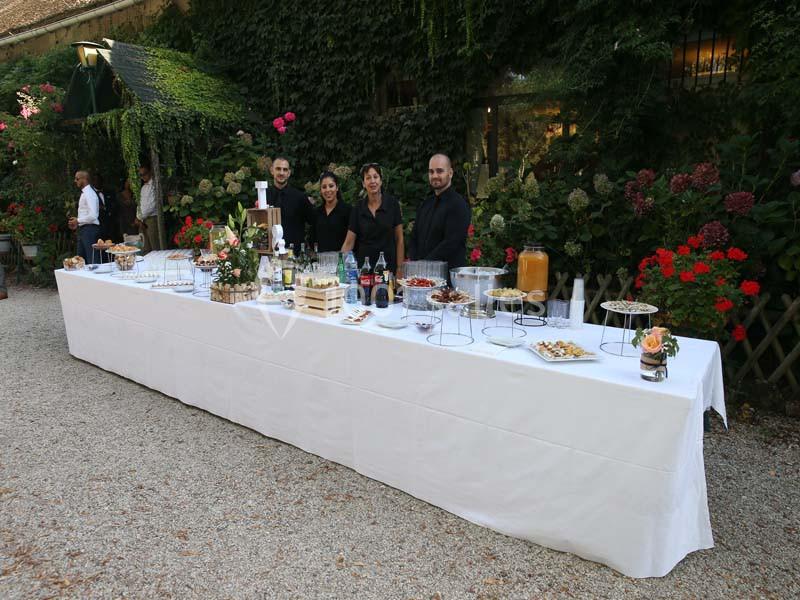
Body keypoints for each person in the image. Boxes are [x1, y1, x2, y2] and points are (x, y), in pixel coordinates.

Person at [409, 153, 471, 272]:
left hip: (447, 280)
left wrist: (424, 264)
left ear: (450, 173)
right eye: (431, 172)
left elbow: (451, 243)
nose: (435, 175)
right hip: (421, 277)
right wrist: (415, 262)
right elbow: (414, 237)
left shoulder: (458, 205)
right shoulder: (425, 204)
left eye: (439, 171)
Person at [341, 163, 404, 275]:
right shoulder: (358, 208)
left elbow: (399, 239)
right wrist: (339, 266)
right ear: (363, 183)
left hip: (388, 269)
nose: (372, 181)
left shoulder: (392, 204)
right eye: (368, 178)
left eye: (375, 177)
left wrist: (400, 268)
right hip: (365, 270)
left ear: (381, 181)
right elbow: (349, 242)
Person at [266, 157, 314, 250]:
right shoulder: (264, 196)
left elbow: (313, 221)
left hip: (295, 253)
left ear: (289, 173)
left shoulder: (300, 197)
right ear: (272, 171)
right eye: (278, 169)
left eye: (285, 170)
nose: (281, 173)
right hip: (269, 252)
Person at [310, 171, 352, 252]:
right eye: (324, 187)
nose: (328, 190)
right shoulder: (317, 212)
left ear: (337, 188)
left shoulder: (348, 210)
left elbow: (351, 240)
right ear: (321, 190)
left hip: (342, 260)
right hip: (321, 261)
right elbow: (312, 238)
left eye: (331, 186)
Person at [68, 170, 101, 263]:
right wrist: (78, 223)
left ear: (84, 179)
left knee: (92, 260)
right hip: (84, 229)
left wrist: (78, 221)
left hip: (90, 230)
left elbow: (93, 216)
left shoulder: (89, 193)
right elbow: (87, 214)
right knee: (80, 260)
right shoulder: (85, 193)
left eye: (77, 179)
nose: (75, 181)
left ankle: (94, 277)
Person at [135, 164, 161, 253]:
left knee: (155, 246)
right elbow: (139, 204)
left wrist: (140, 217)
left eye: (144, 174)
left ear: (150, 172)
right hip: (142, 220)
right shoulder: (143, 187)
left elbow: (152, 205)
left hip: (151, 219)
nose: (143, 177)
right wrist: (138, 218)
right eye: (140, 175)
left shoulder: (154, 185)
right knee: (145, 248)